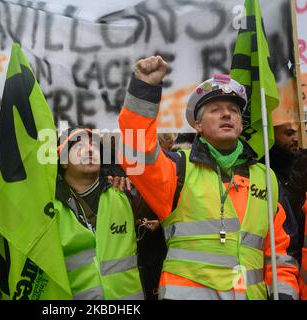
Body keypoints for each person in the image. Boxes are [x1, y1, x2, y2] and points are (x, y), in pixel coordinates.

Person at [118, 55, 300, 300]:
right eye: (216, 110)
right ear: (198, 126)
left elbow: (281, 255)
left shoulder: (265, 178)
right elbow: (135, 152)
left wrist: (286, 296)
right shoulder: (178, 169)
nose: (227, 115)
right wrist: (144, 89)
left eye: (233, 110)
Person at [55, 126, 144, 299]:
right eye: (79, 147)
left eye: (94, 146)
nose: (89, 149)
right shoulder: (51, 207)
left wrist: (127, 173)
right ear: (63, 161)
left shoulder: (125, 192)